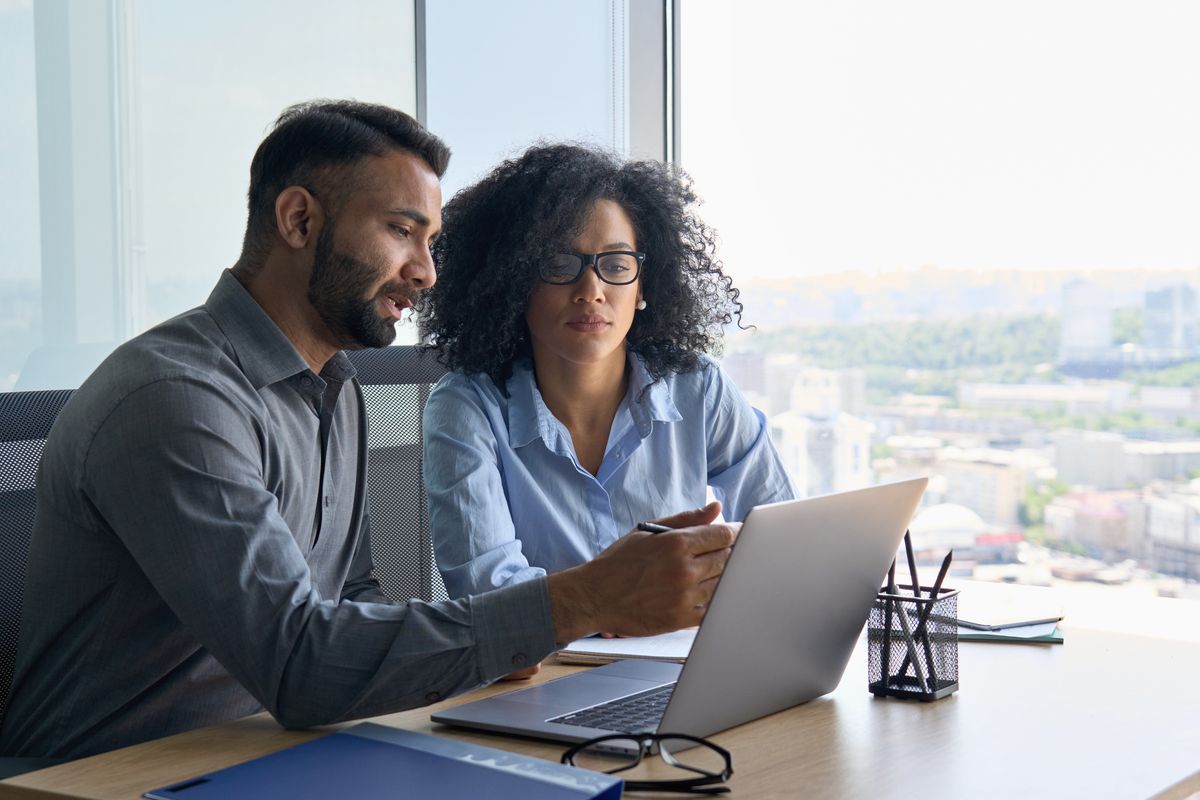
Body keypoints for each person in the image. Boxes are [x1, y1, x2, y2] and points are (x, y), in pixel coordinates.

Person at [0, 102, 736, 761]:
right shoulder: (176, 399)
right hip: (112, 776)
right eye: (401, 232)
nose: (426, 272)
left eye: (432, 240)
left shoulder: (336, 387)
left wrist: (498, 640)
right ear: (299, 221)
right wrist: (577, 602)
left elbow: (351, 597)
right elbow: (298, 663)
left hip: (275, 752)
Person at [418, 144, 795, 639]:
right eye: (559, 263)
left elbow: (783, 541)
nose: (591, 290)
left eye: (616, 264)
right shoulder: (465, 408)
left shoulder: (696, 387)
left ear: (642, 287)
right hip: (542, 681)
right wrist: (609, 605)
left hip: (682, 664)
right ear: (512, 282)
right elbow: (492, 601)